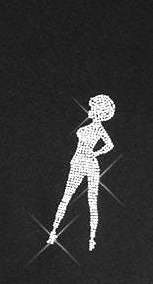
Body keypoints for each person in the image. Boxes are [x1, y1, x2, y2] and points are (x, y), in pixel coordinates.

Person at [48, 94, 116, 251]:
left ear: (98, 111)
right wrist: (95, 153)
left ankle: (91, 238)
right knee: (69, 197)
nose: (89, 110)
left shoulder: (97, 129)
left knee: (90, 200)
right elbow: (109, 145)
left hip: (87, 163)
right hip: (79, 162)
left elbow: (109, 145)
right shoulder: (88, 128)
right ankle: (54, 232)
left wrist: (95, 153)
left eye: (92, 108)